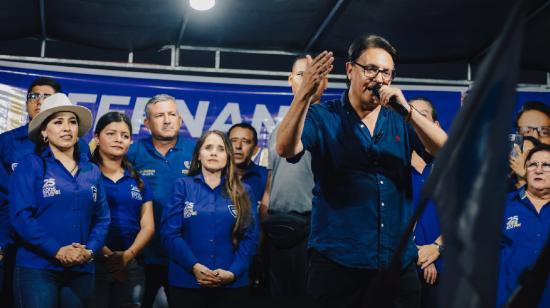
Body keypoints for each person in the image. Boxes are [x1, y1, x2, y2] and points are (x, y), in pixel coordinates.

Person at [276, 34, 447, 307]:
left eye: (386, 73)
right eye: (371, 69)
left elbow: (448, 150)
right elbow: (285, 148)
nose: (379, 78)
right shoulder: (324, 116)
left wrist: (410, 113)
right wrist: (305, 95)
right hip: (337, 265)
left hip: (396, 265)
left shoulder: (400, 118)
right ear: (350, 70)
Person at [8, 93, 110, 307]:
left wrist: (89, 250)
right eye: (58, 122)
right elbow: (21, 217)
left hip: (81, 269)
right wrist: (57, 250)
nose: (67, 127)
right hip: (37, 268)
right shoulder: (31, 165)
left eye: (72, 122)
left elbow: (102, 219)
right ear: (44, 131)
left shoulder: (92, 171)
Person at [0, 77, 90, 304]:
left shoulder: (79, 146)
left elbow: (86, 199)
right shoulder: (6, 142)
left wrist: (85, 248)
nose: (39, 101)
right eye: (33, 96)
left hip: (66, 244)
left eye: (46, 96)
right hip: (13, 239)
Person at [161, 130, 259, 307]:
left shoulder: (244, 191)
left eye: (221, 149)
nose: (214, 152)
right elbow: (170, 234)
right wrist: (194, 266)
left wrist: (232, 273)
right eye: (208, 147)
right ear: (199, 154)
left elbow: (250, 238)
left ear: (228, 156)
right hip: (187, 282)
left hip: (232, 285)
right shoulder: (182, 186)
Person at [259, 56, 323, 300]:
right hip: (278, 232)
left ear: (324, 82)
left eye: (315, 74)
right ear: (290, 80)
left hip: (313, 233)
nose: (308, 79)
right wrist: (264, 232)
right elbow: (270, 185)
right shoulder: (279, 129)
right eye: (301, 74)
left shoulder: (329, 120)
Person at [127, 94, 195, 307]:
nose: (167, 120)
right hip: (141, 254)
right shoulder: (132, 152)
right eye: (159, 115)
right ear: (147, 122)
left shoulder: (197, 151)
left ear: (180, 120)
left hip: (185, 254)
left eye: (172, 114)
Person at [89, 112, 155, 307]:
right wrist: (109, 257)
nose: (119, 139)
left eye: (125, 136)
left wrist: (127, 256)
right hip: (92, 261)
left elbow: (148, 226)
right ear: (96, 138)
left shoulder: (138, 179)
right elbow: (83, 219)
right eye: (111, 134)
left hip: (131, 263)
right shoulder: (84, 175)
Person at [497, 144, 550, 308]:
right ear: (525, 169)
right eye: (533, 164)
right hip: (507, 300)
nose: (538, 170)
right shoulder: (502, 206)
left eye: (546, 165)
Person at [408, 97, 444, 308]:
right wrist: (418, 253)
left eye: (421, 116)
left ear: (436, 126)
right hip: (404, 268)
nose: (415, 122)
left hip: (448, 268)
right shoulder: (393, 169)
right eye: (409, 116)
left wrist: (437, 248)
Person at [227, 123, 267, 203]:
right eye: (233, 141)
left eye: (245, 142)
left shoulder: (266, 177)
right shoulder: (214, 175)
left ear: (255, 150)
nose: (238, 146)